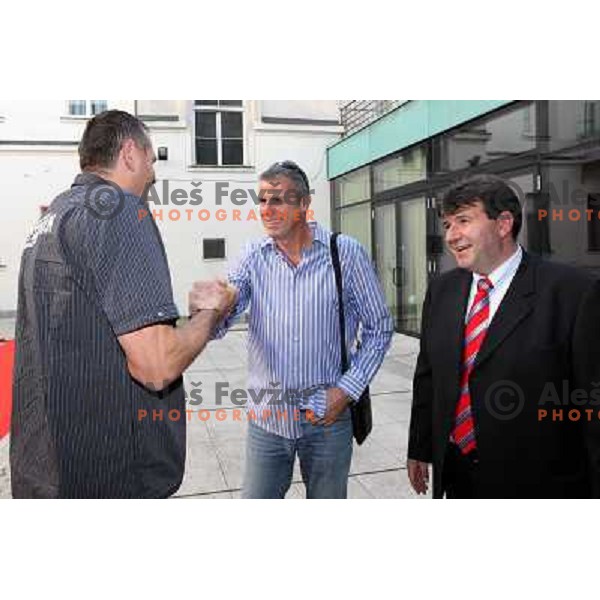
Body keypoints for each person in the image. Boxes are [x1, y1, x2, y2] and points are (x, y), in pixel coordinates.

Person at [10, 110, 236, 498]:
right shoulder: (118, 211)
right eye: (151, 160)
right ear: (130, 153)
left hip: (45, 471)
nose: (153, 173)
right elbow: (156, 365)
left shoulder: (56, 214)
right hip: (106, 477)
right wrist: (210, 314)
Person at [407, 174, 600, 499]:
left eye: (463, 221)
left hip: (538, 483)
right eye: (447, 225)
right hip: (457, 472)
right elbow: (428, 376)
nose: (452, 236)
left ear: (503, 224)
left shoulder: (573, 292)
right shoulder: (442, 290)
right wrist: (421, 447)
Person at [210, 160, 394, 499]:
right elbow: (225, 312)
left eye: (278, 199)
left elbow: (380, 327)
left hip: (328, 421)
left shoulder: (346, 254)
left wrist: (346, 391)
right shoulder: (252, 256)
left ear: (304, 203)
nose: (267, 209)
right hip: (268, 420)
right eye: (262, 200)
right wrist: (211, 308)